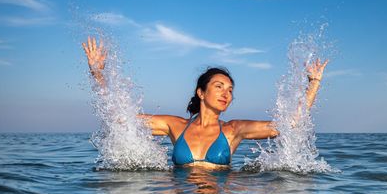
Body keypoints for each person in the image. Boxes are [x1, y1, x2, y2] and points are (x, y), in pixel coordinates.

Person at [82, 36, 328, 169]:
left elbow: (291, 124)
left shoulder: (232, 130)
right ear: (201, 93)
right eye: (219, 87)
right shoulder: (175, 126)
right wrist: (98, 74)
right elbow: (120, 118)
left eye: (230, 90)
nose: (226, 94)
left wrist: (313, 84)